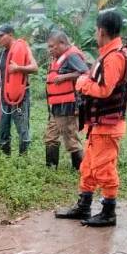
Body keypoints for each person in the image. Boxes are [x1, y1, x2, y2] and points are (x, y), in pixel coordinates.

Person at [55, 10, 127, 227]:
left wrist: (82, 83)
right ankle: (84, 206)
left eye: (95, 30)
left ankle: (109, 212)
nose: (95, 33)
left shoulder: (115, 58)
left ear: (101, 31)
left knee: (105, 168)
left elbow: (104, 90)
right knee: (88, 167)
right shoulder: (114, 54)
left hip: (108, 126)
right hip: (99, 124)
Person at [44, 30, 89, 170]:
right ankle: (51, 169)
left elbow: (85, 72)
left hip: (69, 104)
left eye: (53, 46)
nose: (50, 50)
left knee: (71, 138)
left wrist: (64, 77)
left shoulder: (72, 56)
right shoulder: (58, 58)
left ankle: (80, 169)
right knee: (50, 136)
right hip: (57, 105)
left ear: (62, 43)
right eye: (49, 47)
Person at [0, 24, 38, 156]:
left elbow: (35, 68)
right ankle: (4, 159)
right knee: (3, 129)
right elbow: (3, 75)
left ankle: (23, 159)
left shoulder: (23, 48)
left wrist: (19, 68)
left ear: (11, 35)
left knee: (22, 129)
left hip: (20, 97)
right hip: (4, 96)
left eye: (1, 36)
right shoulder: (1, 53)